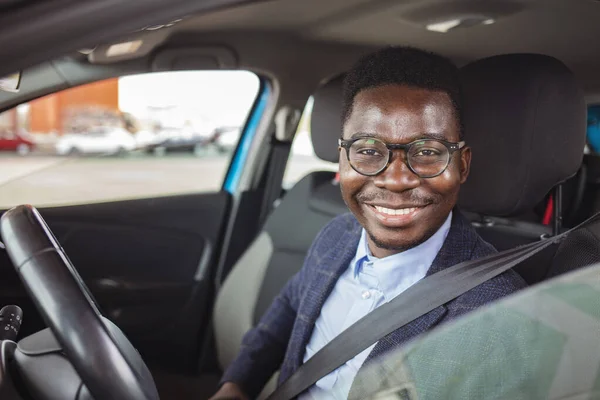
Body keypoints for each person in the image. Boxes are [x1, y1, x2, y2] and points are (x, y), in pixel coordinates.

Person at [210, 46, 527, 400]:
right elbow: (287, 311)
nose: (395, 180)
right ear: (342, 159)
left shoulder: (497, 314)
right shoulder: (335, 235)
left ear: (462, 166)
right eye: (369, 150)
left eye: (426, 153)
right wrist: (236, 384)